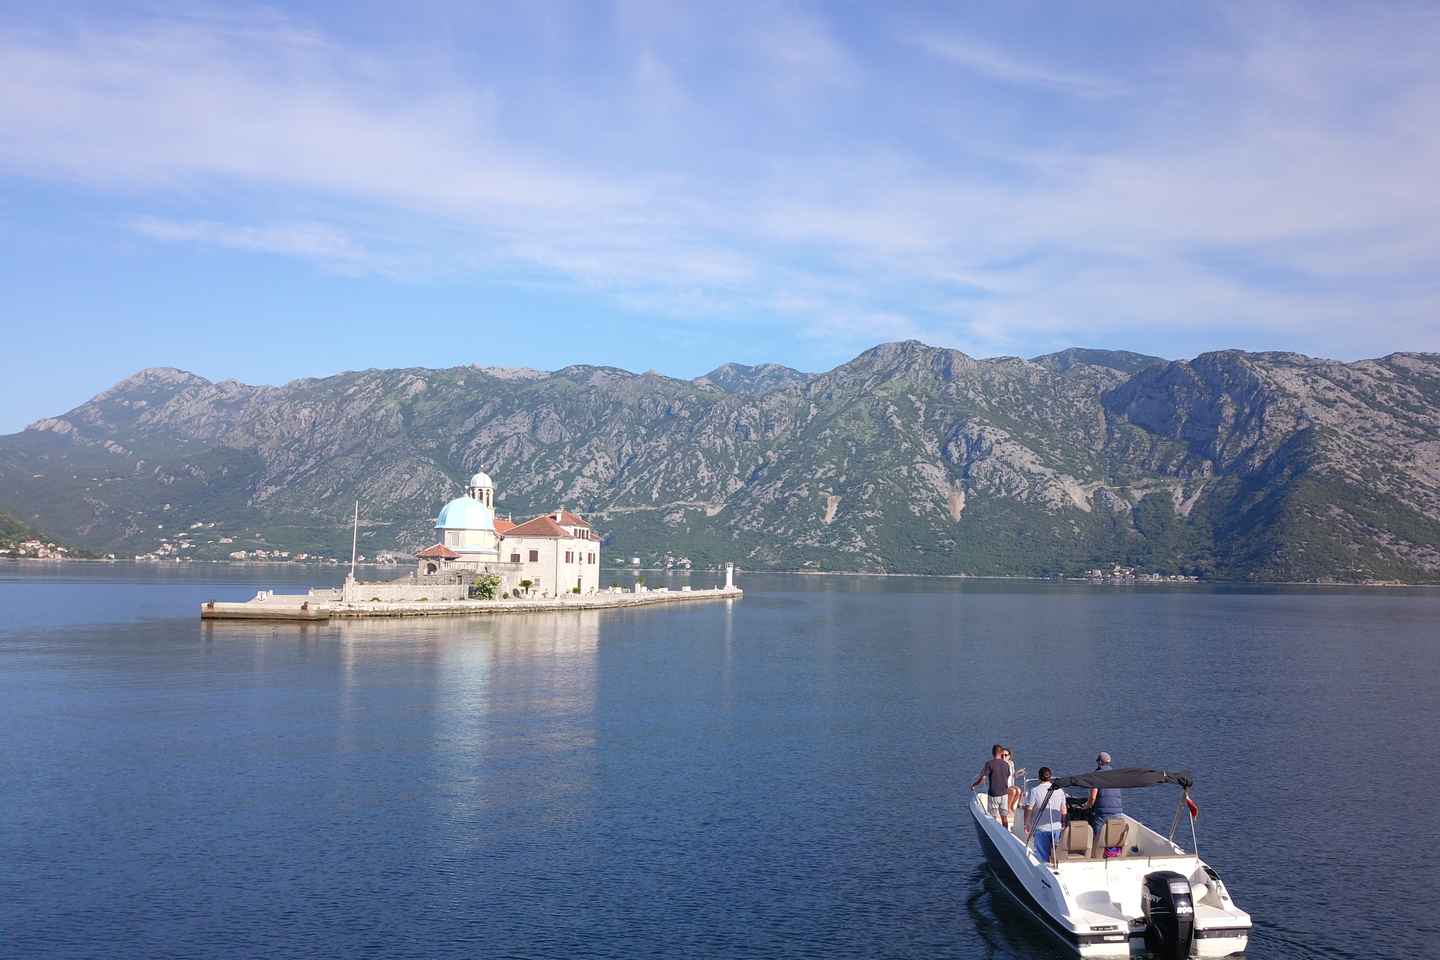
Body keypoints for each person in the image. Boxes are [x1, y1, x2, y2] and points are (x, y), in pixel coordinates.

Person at [1024, 767, 1066, 864]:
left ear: (1039, 777)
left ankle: (1043, 872)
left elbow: (1029, 808)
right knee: (1055, 853)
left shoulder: (1035, 790)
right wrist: (1063, 823)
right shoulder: (1060, 790)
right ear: (1050, 777)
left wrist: (1027, 823)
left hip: (1041, 828)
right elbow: (1063, 809)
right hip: (1057, 828)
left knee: (1043, 857)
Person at [1084, 751, 1124, 851]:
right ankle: (1112, 855)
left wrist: (1087, 806)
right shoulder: (1116, 775)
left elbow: (1093, 797)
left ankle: (1096, 855)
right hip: (1117, 811)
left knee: (1098, 837)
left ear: (1100, 762)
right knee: (1113, 837)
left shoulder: (1097, 775)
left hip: (1102, 813)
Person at [971, 744, 1012, 828]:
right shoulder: (1006, 764)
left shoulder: (989, 764)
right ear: (1001, 753)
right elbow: (1008, 775)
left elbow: (983, 778)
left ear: (992, 753)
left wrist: (974, 785)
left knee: (993, 817)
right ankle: (1006, 832)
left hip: (994, 794)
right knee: (1004, 817)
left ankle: (995, 831)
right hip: (1004, 794)